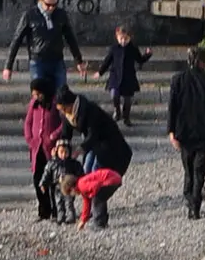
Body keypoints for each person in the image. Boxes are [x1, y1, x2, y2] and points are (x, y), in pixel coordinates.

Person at [54, 87, 132, 227]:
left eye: (63, 108)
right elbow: (66, 134)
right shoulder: (67, 115)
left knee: (95, 172)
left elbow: (93, 134)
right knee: (86, 171)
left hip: (107, 143)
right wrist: (61, 145)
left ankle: (98, 213)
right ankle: (88, 208)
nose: (62, 112)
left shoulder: (89, 109)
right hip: (93, 144)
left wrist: (81, 148)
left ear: (70, 104)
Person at [167, 46, 205, 220]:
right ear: (202, 61)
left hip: (184, 132)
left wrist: (171, 131)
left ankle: (189, 198)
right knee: (199, 171)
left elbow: (172, 107)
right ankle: (194, 206)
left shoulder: (177, 80)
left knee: (188, 169)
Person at [3, 0, 87, 93]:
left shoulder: (61, 15)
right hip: (38, 61)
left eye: (54, 5)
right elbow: (16, 40)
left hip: (57, 60)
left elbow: (70, 38)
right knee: (39, 93)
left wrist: (78, 61)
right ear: (40, 0)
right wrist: (8, 66)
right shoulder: (30, 15)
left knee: (61, 93)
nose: (51, 8)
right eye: (48, 5)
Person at [22, 78, 66, 221]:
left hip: (51, 149)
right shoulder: (33, 105)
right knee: (38, 180)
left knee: (54, 181)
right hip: (37, 149)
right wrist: (30, 139)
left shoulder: (55, 104)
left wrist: (54, 135)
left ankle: (56, 211)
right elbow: (28, 122)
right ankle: (44, 210)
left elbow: (64, 122)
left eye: (37, 94)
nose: (35, 97)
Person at [94, 26, 152, 125]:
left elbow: (140, 59)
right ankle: (117, 110)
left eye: (126, 39)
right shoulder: (114, 48)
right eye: (121, 38)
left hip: (128, 77)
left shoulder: (132, 48)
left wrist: (147, 54)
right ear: (117, 38)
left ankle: (126, 117)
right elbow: (107, 61)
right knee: (114, 95)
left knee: (127, 100)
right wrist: (100, 72)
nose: (123, 41)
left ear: (130, 38)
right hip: (115, 76)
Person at [58, 166, 124, 230]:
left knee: (97, 199)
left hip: (111, 179)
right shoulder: (81, 186)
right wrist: (83, 221)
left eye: (70, 193)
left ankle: (99, 224)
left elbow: (96, 185)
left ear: (71, 188)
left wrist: (92, 195)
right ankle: (103, 222)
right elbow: (86, 204)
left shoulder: (81, 185)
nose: (72, 195)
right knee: (100, 198)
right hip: (114, 178)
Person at [39, 142, 83, 224]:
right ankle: (60, 217)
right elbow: (46, 173)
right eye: (61, 152)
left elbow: (80, 173)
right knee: (59, 203)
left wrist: (76, 181)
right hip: (57, 187)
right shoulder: (52, 163)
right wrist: (43, 183)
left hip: (69, 187)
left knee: (69, 202)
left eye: (66, 152)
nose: (64, 154)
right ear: (57, 152)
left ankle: (71, 217)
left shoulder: (73, 163)